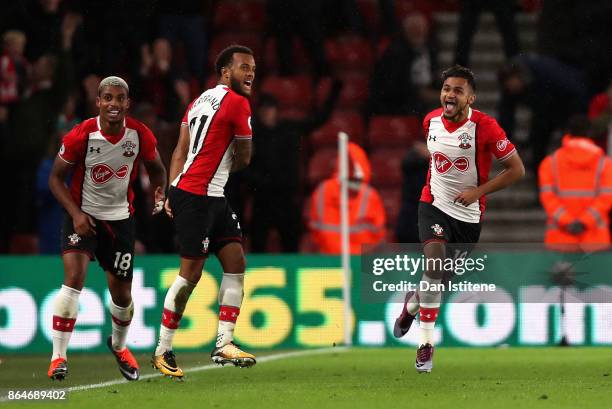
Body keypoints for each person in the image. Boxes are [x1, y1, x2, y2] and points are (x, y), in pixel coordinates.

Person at [393, 65, 525, 373]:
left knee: (436, 283)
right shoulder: (430, 122)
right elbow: (437, 164)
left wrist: (478, 191)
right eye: (446, 89)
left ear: (471, 98)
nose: (450, 94)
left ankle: (411, 305)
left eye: (458, 90)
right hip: (433, 205)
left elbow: (517, 170)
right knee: (435, 266)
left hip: (468, 217)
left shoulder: (486, 127)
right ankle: (426, 345)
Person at [46, 76, 167, 381]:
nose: (114, 104)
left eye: (120, 98)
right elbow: (55, 179)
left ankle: (119, 345)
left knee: (122, 295)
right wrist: (75, 213)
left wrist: (160, 191)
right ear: (98, 102)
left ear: (128, 103)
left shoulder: (139, 134)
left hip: (120, 221)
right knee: (73, 278)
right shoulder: (81, 135)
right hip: (83, 217)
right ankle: (58, 357)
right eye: (108, 98)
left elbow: (157, 168)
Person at [151, 45, 256, 379]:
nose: (251, 72)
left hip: (204, 193)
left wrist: (172, 188)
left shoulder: (197, 102)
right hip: (198, 195)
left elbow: (180, 149)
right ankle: (163, 349)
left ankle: (224, 342)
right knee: (190, 274)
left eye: (253, 67)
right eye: (243, 67)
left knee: (236, 260)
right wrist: (186, 189)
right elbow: (245, 157)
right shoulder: (238, 103)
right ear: (225, 71)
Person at [246, 82, 342, 253]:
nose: (266, 113)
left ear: (276, 111)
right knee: (257, 245)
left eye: (270, 109)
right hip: (262, 199)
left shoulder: (289, 129)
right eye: (263, 110)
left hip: (287, 199)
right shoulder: (252, 134)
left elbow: (319, 119)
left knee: (291, 244)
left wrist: (334, 92)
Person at [539, 115, 612, 250]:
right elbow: (606, 199)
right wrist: (584, 222)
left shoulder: (550, 163)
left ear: (568, 132)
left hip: (560, 239)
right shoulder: (605, 164)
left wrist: (568, 222)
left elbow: (548, 199)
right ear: (590, 132)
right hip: (595, 240)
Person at [307, 142, 386, 254]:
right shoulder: (324, 192)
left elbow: (378, 237)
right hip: (329, 263)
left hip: (361, 262)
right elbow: (317, 233)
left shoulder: (370, 196)